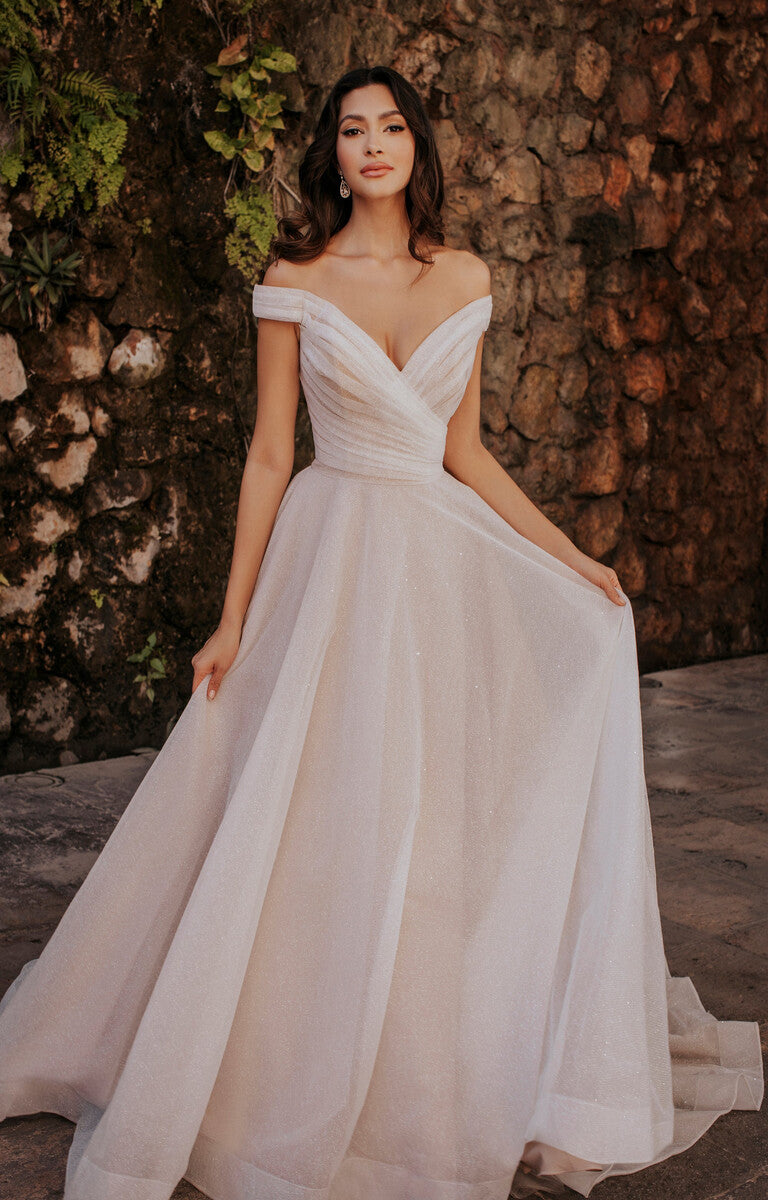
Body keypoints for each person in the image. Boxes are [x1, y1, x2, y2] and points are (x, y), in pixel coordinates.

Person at [0, 63, 762, 1200]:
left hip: (433, 562)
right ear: (334, 154)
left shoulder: (466, 275)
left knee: (431, 804)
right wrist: (231, 618)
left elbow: (465, 452)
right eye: (353, 129)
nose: (372, 144)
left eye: (392, 126)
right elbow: (271, 455)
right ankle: (284, 1045)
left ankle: (422, 1040)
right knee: (317, 798)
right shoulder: (294, 280)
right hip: (334, 553)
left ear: (416, 147)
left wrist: (572, 558)